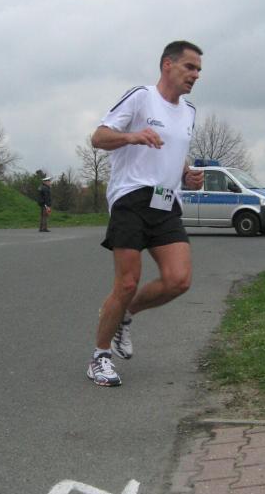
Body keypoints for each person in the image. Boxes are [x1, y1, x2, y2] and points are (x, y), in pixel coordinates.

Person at [87, 40, 205, 387]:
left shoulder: (190, 111)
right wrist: (132, 136)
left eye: (199, 70)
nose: (195, 75)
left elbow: (172, 151)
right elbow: (98, 137)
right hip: (131, 197)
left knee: (178, 280)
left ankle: (126, 315)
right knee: (126, 282)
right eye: (189, 67)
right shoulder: (141, 97)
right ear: (167, 64)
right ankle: (99, 358)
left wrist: (187, 174)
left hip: (166, 201)